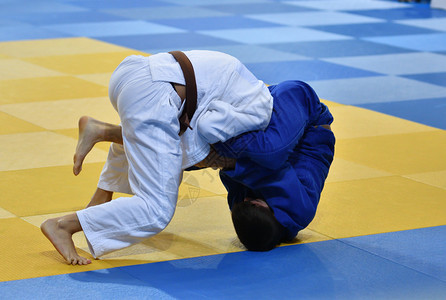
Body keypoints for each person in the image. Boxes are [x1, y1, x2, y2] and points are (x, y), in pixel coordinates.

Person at [41, 51, 335, 265]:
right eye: (251, 202)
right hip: (303, 118)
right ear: (262, 206)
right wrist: (225, 161)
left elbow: (228, 173)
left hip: (136, 79)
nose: (244, 200)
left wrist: (221, 163)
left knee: (172, 157)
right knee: (159, 208)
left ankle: (104, 143)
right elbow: (270, 168)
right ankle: (65, 224)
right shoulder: (297, 211)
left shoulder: (249, 211)